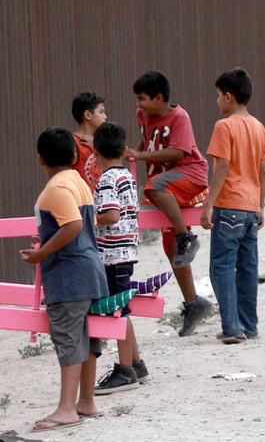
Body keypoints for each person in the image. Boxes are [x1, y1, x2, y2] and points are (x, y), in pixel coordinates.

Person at [19, 127, 110, 429]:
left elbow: (70, 225)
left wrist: (41, 252)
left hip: (69, 274)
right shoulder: (77, 181)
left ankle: (66, 409)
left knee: (69, 339)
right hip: (90, 269)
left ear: (41, 160)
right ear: (74, 155)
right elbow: (78, 223)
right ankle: (86, 401)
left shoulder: (56, 188)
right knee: (88, 336)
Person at [130, 71, 213, 337]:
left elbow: (179, 151)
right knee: (170, 248)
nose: (139, 104)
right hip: (166, 185)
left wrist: (141, 156)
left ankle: (187, 236)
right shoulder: (142, 116)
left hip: (189, 175)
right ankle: (193, 302)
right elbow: (147, 140)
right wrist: (134, 152)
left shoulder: (179, 117)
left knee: (154, 186)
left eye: (143, 99)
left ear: (159, 98)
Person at [200, 68, 265, 343]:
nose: (217, 102)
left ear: (228, 97)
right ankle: (248, 325)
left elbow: (222, 167)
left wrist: (209, 204)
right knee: (248, 267)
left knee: (221, 266)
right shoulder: (259, 126)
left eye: (218, 96)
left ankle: (231, 326)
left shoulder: (224, 126)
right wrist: (261, 205)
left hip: (229, 205)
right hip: (251, 207)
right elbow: (264, 169)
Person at [89, 122, 151, 394]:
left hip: (112, 256)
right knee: (122, 307)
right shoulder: (126, 175)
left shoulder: (105, 180)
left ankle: (125, 370)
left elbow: (111, 215)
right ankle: (136, 364)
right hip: (126, 253)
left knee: (117, 312)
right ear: (125, 150)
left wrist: (88, 220)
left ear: (95, 150)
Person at [71, 92, 107, 190]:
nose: (105, 117)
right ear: (87, 115)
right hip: (83, 202)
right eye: (101, 112)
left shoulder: (101, 143)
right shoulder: (72, 144)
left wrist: (98, 148)